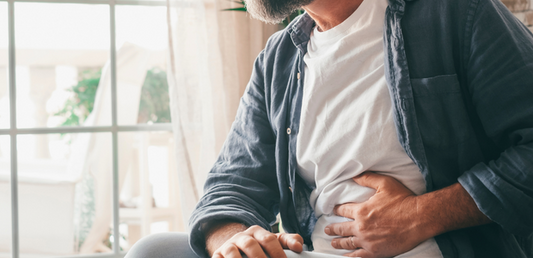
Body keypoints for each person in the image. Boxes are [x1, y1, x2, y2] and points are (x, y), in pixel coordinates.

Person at [125, 0, 533, 256]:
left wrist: (421, 216)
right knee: (152, 251)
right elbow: (232, 184)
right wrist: (234, 241)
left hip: (433, 250)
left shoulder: (458, 15)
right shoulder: (279, 60)